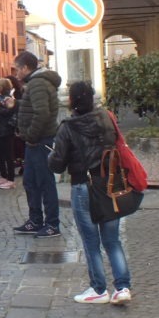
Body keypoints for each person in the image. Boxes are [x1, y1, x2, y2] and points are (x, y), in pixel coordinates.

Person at [48, 81, 132, 305]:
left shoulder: (67, 127)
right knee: (112, 240)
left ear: (71, 101)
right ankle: (122, 287)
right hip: (110, 183)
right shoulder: (106, 118)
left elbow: (57, 164)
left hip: (82, 184)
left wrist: (52, 156)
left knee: (91, 240)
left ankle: (99, 289)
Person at [13, 51, 63, 238]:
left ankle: (52, 224)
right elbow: (35, 108)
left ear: (25, 68)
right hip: (36, 141)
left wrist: (31, 136)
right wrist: (16, 104)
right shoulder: (36, 83)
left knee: (44, 183)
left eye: (17, 69)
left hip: (40, 141)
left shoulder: (38, 83)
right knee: (31, 182)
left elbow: (42, 113)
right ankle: (35, 221)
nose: (16, 73)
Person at [0, 76, 26, 190]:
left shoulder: (7, 99)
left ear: (1, 87)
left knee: (8, 156)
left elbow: (10, 112)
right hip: (0, 130)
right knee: (0, 155)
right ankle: (4, 176)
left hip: (6, 131)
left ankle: (10, 180)